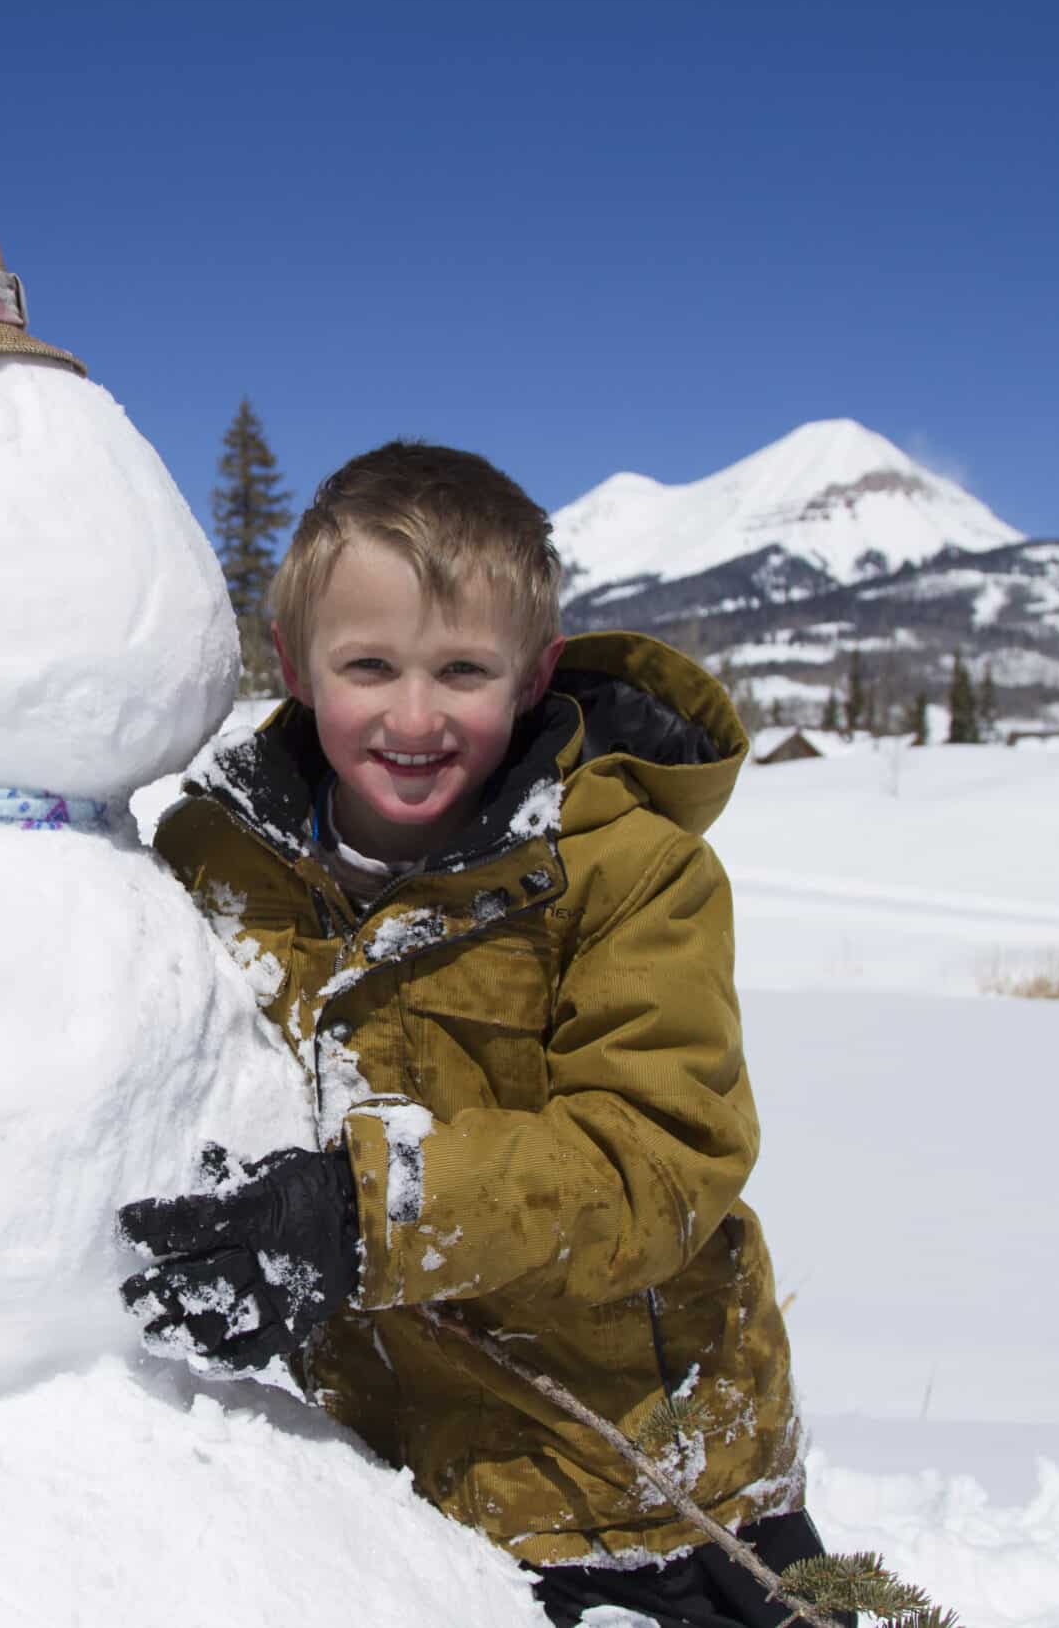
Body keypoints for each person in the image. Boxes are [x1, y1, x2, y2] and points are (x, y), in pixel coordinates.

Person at [122, 441, 836, 1628]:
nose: (414, 715)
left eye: (462, 669)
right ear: (295, 668)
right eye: (370, 666)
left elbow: (657, 1161)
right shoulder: (213, 857)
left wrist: (371, 1212)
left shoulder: (634, 871)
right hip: (355, 1469)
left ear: (532, 673)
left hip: (624, 1485)